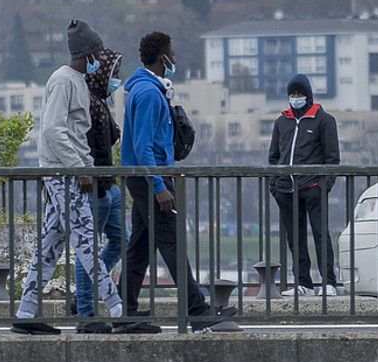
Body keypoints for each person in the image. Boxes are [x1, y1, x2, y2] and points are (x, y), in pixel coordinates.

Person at [12, 19, 124, 335]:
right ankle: (117, 309)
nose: (101, 59)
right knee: (87, 242)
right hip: (67, 176)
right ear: (87, 53)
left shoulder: (76, 80)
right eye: (98, 53)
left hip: (65, 174)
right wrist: (78, 168)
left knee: (49, 248)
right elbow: (52, 129)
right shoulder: (63, 82)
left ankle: (25, 313)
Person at [117, 30, 234, 333]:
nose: (176, 59)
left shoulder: (148, 90)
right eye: (172, 53)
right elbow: (143, 147)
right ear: (162, 57)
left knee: (140, 247)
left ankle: (125, 313)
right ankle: (197, 313)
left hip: (144, 177)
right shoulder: (148, 94)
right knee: (172, 243)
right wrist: (159, 187)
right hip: (150, 179)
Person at [267, 73, 340, 295]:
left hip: (313, 188)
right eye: (292, 94)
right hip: (285, 190)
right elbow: (273, 157)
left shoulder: (324, 120)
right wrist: (275, 184)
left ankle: (328, 282)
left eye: (299, 94)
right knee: (295, 238)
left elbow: (332, 159)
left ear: (308, 95)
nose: (295, 97)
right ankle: (303, 283)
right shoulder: (281, 122)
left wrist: (323, 186)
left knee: (320, 234)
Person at [71, 47, 125, 324]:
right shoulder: (88, 104)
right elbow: (83, 144)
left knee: (120, 241)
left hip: (109, 185)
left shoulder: (101, 102)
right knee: (87, 250)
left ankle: (86, 292)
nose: (117, 78)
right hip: (96, 187)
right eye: (114, 72)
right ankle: (86, 312)